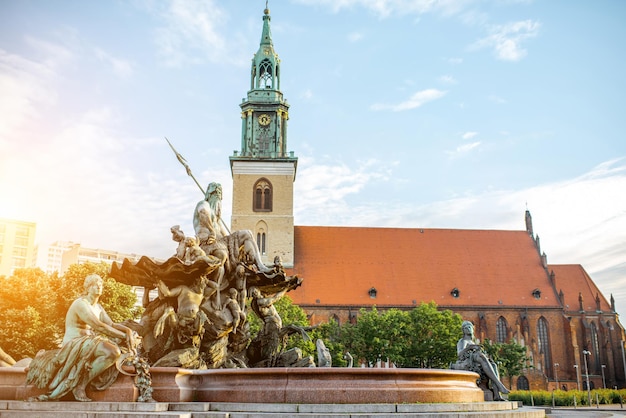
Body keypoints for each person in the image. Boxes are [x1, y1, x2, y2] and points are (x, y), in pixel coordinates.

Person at [26, 274, 135, 402]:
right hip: (75, 342)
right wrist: (124, 337)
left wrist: (128, 331)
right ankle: (80, 386)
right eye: (95, 285)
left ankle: (82, 383)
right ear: (87, 288)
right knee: (112, 352)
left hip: (90, 341)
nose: (99, 287)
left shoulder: (98, 307)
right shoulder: (81, 303)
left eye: (100, 285)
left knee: (115, 350)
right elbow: (98, 326)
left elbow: (111, 324)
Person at [453, 321, 510, 400]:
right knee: (481, 356)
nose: (468, 329)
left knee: (494, 365)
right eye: (466, 328)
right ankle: (499, 384)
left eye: (470, 327)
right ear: (463, 330)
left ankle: (497, 395)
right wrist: (469, 347)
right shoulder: (462, 341)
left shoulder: (473, 341)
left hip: (476, 361)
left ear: (473, 329)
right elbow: (459, 354)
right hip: (466, 362)